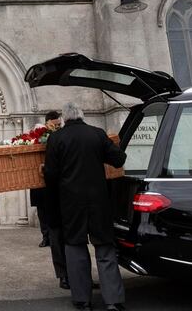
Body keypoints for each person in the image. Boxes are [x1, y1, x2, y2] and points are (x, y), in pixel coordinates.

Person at [45, 102, 127, 311]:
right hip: (99, 200)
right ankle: (114, 301)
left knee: (75, 248)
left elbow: (51, 175)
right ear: (82, 116)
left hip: (71, 203)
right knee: (105, 248)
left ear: (65, 119)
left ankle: (82, 301)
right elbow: (119, 160)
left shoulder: (56, 138)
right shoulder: (97, 134)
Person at [33, 111, 70, 289]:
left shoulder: (60, 138)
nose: (56, 126)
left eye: (58, 123)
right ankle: (64, 275)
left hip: (65, 195)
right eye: (53, 124)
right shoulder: (46, 137)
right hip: (54, 196)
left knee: (71, 239)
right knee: (58, 237)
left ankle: (73, 275)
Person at [30, 111, 62, 248]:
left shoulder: (61, 135)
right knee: (42, 211)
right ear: (48, 122)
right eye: (56, 124)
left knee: (55, 209)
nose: (58, 126)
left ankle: (55, 237)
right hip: (39, 179)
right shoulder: (39, 133)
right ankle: (46, 237)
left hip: (53, 179)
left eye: (59, 124)